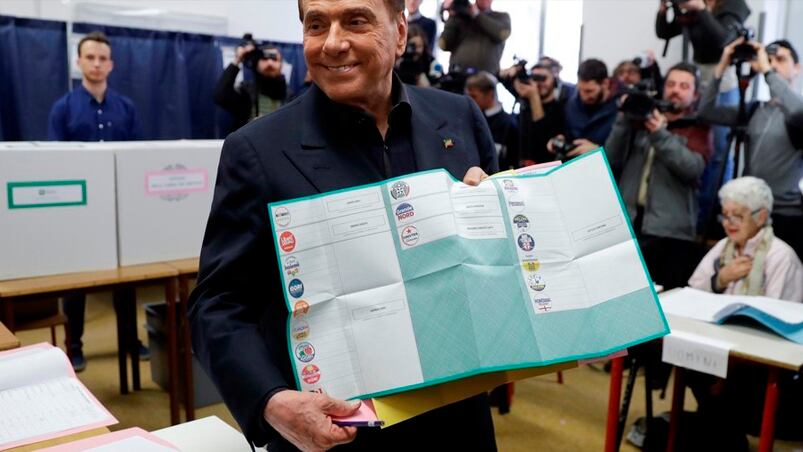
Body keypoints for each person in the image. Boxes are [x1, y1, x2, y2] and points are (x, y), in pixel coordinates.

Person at [189, 0, 499, 450]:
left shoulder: (459, 119)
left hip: (457, 422)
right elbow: (215, 303)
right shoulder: (257, 150)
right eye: (316, 24)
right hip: (333, 433)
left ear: (398, 32)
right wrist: (271, 402)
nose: (332, 43)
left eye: (356, 21)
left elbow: (496, 266)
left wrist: (495, 224)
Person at [47, 31, 144, 372]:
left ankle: (131, 340)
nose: (97, 63)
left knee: (126, 279)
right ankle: (74, 346)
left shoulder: (126, 108)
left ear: (111, 64)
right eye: (90, 57)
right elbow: (56, 164)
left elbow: (134, 160)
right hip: (80, 213)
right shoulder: (63, 109)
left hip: (120, 210)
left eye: (103, 58)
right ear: (79, 62)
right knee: (77, 283)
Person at [603, 62, 713, 289]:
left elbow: (692, 168)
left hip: (672, 234)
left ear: (695, 95)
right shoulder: (641, 118)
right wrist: (625, 117)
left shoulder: (698, 128)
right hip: (631, 226)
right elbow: (611, 159)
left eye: (684, 86)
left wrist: (659, 134)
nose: (675, 90)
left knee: (667, 303)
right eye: (671, 84)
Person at [697, 38, 803, 260]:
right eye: (769, 59)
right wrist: (723, 65)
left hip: (786, 215)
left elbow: (795, 113)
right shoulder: (754, 108)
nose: (773, 64)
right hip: (749, 213)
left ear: (798, 68)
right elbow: (706, 112)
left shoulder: (797, 110)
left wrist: (767, 71)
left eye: (781, 60)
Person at [688, 176, 803, 301]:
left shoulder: (781, 256)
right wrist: (719, 280)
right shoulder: (723, 246)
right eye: (725, 216)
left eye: (737, 216)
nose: (728, 223)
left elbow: (780, 312)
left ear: (761, 217)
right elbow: (692, 292)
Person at [655, 0, 750, 82]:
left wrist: (701, 9)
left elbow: (722, 39)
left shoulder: (734, 4)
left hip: (723, 74)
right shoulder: (693, 4)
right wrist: (663, 10)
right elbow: (665, 33)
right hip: (698, 71)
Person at [547, 59, 618, 159]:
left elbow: (620, 155)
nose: (583, 96)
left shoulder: (619, 110)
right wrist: (559, 139)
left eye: (589, 91)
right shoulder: (571, 103)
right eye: (580, 89)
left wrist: (598, 151)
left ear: (605, 84)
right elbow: (565, 132)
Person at [500, 61, 568, 165]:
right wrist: (512, 73)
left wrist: (534, 97)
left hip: (544, 169)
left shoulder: (560, 107)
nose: (538, 84)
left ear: (554, 81)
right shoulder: (525, 99)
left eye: (543, 78)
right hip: (519, 168)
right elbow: (498, 77)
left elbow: (542, 138)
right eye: (534, 78)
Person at [214, 41, 287, 132]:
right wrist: (238, 59)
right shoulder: (246, 92)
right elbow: (221, 96)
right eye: (265, 58)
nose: (270, 63)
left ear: (281, 64)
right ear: (256, 63)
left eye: (274, 58)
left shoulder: (288, 96)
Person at [439, 0, 511, 74]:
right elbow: (443, 45)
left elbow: (502, 34)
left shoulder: (501, 17)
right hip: (458, 75)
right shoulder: (462, 16)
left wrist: (477, 15)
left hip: (485, 78)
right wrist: (452, 16)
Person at [465, 71, 518, 170]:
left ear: (490, 94)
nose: (469, 101)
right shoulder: (468, 118)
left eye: (474, 97)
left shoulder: (508, 124)